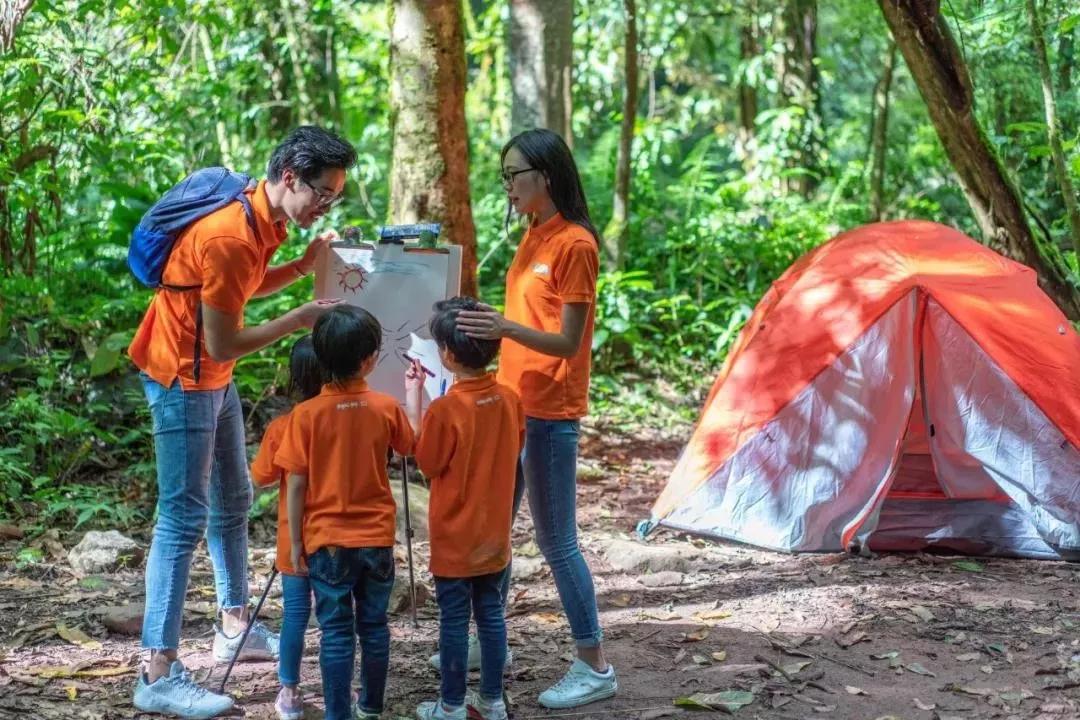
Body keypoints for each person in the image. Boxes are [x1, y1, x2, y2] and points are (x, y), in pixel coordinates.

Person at [130, 126, 355, 719]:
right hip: (182, 376)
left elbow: (236, 291)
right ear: (290, 178)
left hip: (214, 376)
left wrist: (302, 266)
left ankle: (234, 625)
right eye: (323, 194)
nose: (326, 206)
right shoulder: (231, 233)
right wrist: (297, 320)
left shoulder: (265, 219)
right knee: (182, 516)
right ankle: (156, 671)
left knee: (233, 497)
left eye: (335, 198)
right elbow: (224, 338)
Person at [454, 128, 617, 709]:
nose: (507, 186)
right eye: (503, 176)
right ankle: (491, 642)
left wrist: (504, 328)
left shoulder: (576, 244)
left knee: (556, 540)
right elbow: (528, 316)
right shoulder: (532, 232)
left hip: (550, 410)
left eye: (513, 175)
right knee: (495, 529)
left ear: (545, 175)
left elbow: (569, 342)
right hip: (512, 404)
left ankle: (594, 664)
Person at [275, 305, 415, 720]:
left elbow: (296, 483)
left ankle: (339, 714)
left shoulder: (304, 416)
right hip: (376, 537)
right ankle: (370, 707)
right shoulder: (386, 406)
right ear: (370, 359)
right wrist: (415, 394)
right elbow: (409, 447)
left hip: (326, 541)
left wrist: (296, 542)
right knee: (374, 627)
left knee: (335, 633)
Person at [406, 298, 524, 720]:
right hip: (494, 537)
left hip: (455, 540)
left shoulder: (446, 409)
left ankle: (452, 705)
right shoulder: (510, 398)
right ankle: (492, 702)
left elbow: (427, 462)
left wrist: (414, 400)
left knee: (454, 621)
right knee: (491, 616)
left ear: (448, 355)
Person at [249, 336, 323, 720]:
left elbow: (261, 476)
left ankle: (289, 691)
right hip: (336, 538)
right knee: (336, 617)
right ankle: (341, 685)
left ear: (294, 377)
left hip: (292, 539)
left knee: (295, 615)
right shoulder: (342, 419)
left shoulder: (282, 427)